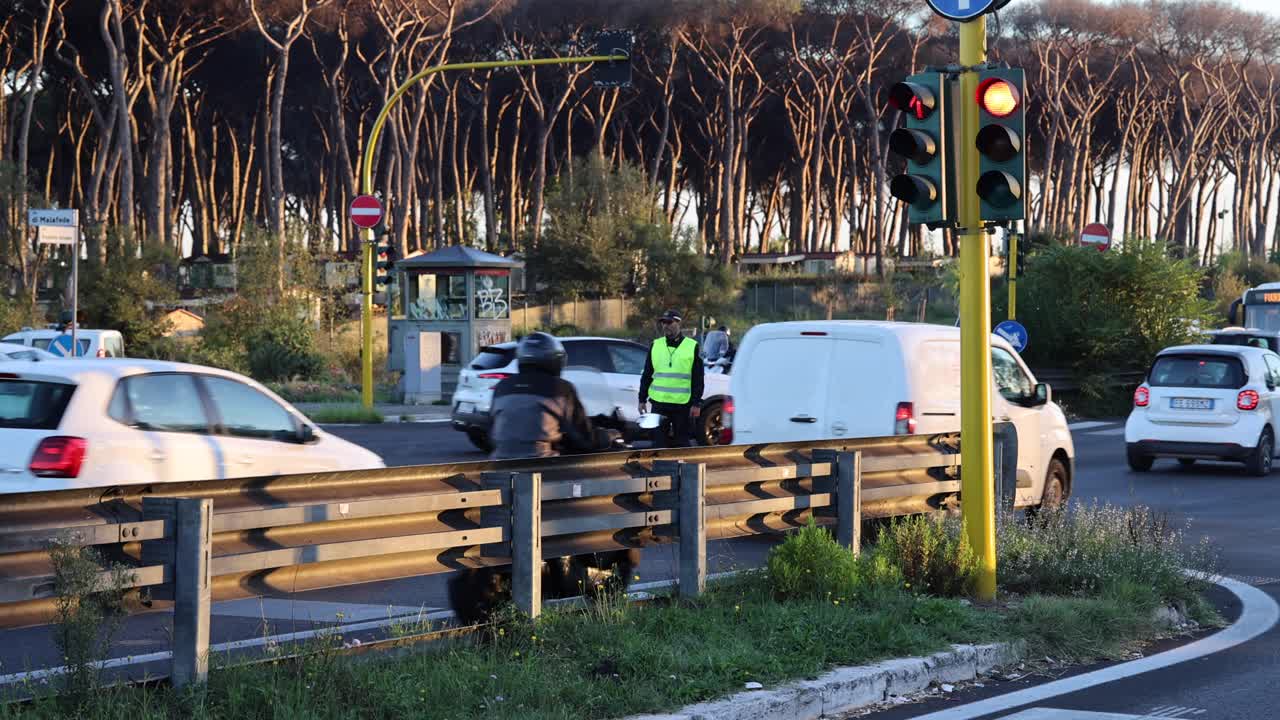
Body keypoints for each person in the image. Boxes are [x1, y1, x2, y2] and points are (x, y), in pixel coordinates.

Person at [488, 332, 595, 460]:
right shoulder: (560, 387)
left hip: (499, 461)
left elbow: (491, 431)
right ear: (554, 361)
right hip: (542, 464)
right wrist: (607, 436)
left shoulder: (502, 387)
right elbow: (584, 437)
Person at [639, 309, 704, 447]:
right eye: (663, 322)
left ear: (678, 323)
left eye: (669, 322)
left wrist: (696, 403)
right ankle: (659, 468)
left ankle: (683, 467)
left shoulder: (691, 346)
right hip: (658, 403)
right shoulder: (656, 345)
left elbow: (698, 378)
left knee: (682, 442)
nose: (665, 326)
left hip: (682, 405)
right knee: (657, 442)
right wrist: (641, 399)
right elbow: (647, 374)